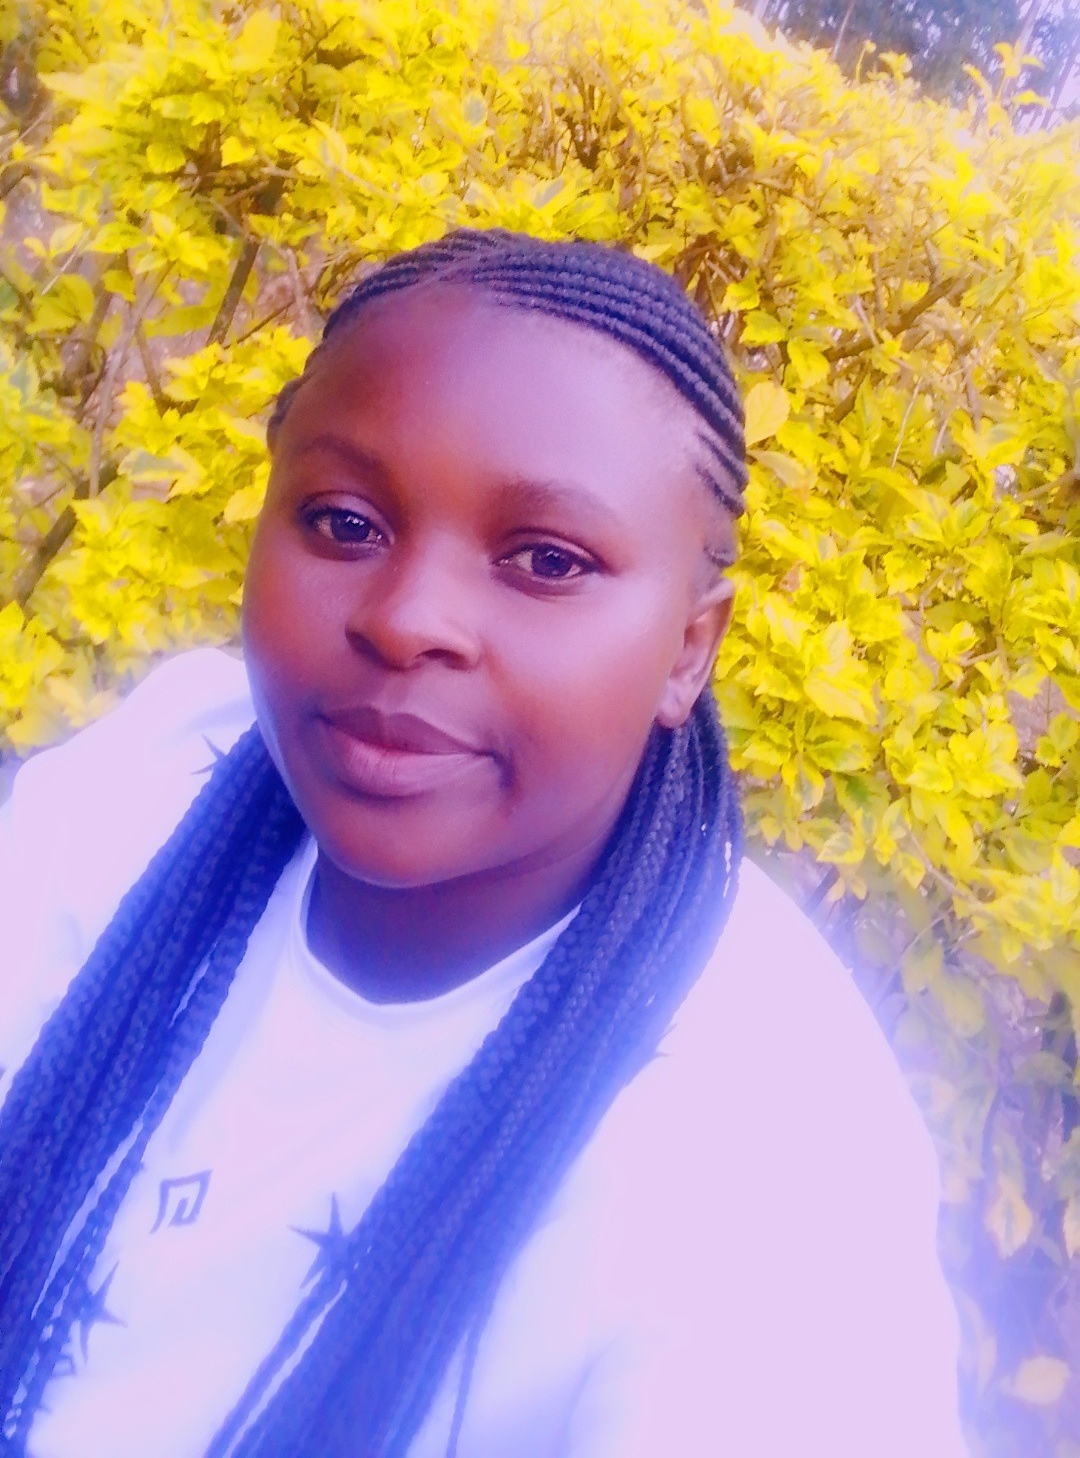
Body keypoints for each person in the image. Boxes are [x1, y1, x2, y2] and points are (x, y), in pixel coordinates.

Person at [0, 230, 965, 1458]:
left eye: (546, 561)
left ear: (689, 648)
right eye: (344, 523)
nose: (408, 621)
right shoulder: (152, 774)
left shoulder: (771, 1153)